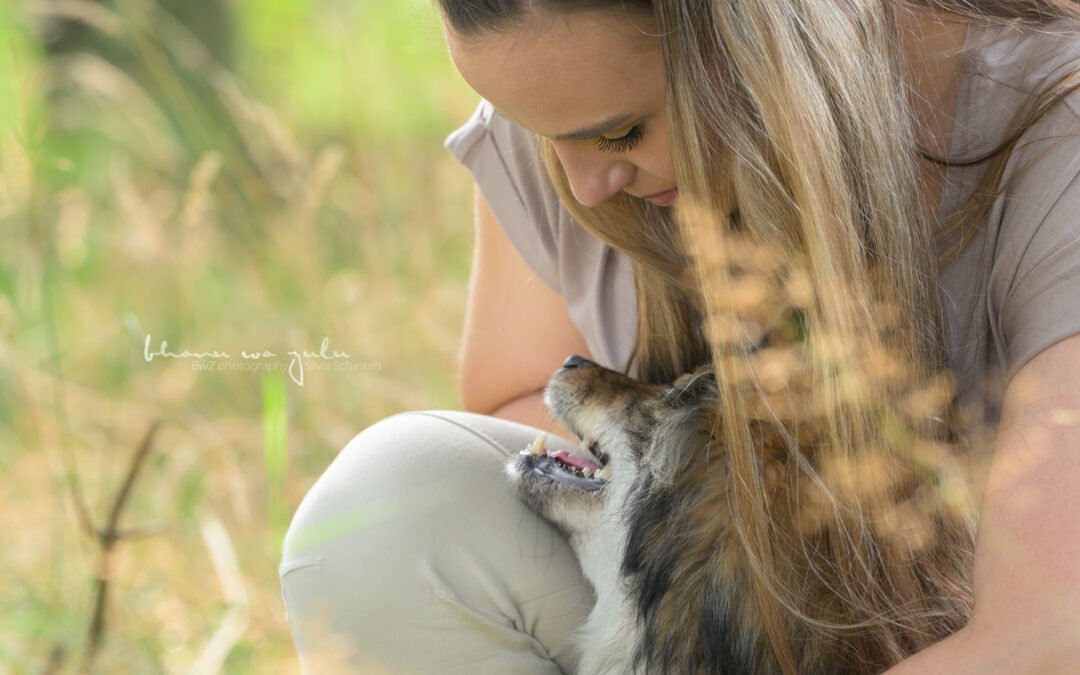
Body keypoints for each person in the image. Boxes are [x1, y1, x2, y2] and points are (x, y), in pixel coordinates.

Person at [279, 0, 1080, 672]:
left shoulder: (1056, 132)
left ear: (757, 42)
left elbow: (1049, 632)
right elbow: (511, 398)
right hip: (712, 629)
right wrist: (718, 502)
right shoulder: (569, 96)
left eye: (621, 133)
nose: (584, 188)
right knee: (393, 508)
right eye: (531, 129)